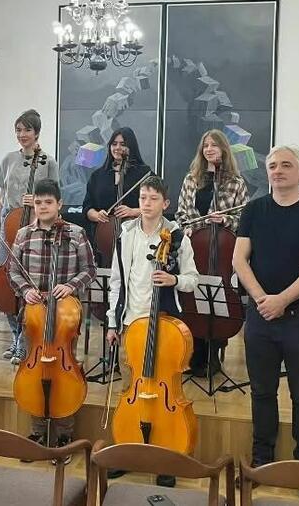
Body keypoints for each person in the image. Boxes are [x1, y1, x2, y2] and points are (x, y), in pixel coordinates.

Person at [232, 145, 299, 505]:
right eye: (272, 166)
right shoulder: (254, 209)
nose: (277, 171)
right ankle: (262, 461)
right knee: (261, 391)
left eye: (286, 165)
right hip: (261, 315)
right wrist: (263, 299)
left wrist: (282, 300)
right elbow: (239, 259)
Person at [104, 175, 198, 487]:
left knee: (162, 394)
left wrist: (174, 281)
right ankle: (129, 452)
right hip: (131, 325)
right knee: (132, 389)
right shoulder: (126, 235)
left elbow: (192, 278)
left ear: (165, 204)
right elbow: (117, 281)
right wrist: (113, 322)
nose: (146, 203)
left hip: (164, 325)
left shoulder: (177, 236)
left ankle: (164, 457)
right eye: (143, 198)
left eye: (153, 199)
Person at [6, 178, 95, 457]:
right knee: (35, 367)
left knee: (63, 370)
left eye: (49, 202)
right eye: (39, 202)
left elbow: (90, 269)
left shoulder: (76, 233)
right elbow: (13, 271)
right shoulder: (23, 235)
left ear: (59, 205)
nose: (43, 207)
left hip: (65, 315)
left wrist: (70, 286)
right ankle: (37, 430)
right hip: (34, 312)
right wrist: (26, 290)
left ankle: (64, 434)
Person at [0, 109, 59, 364]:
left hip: (35, 228)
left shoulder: (48, 162)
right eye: (18, 130)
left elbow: (56, 199)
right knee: (6, 283)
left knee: (29, 285)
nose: (22, 135)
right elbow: (0, 200)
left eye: (27, 130)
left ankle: (27, 338)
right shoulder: (8, 159)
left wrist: (36, 201)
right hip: (9, 227)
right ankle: (16, 335)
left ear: (37, 132)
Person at [175, 129, 248, 377]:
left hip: (223, 250)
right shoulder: (191, 179)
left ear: (224, 150)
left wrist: (225, 220)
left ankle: (214, 352)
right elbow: (181, 215)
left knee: (219, 298)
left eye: (214, 145)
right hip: (195, 247)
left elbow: (244, 220)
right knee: (192, 296)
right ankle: (195, 352)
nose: (209, 149)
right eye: (205, 145)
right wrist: (198, 227)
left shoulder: (236, 183)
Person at [82, 127, 152, 265]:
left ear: (131, 147)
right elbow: (87, 207)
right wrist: (96, 215)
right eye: (114, 144)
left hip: (136, 236)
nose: (118, 147)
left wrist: (134, 211)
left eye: (123, 144)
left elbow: (156, 206)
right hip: (104, 238)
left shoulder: (144, 174)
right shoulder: (98, 176)